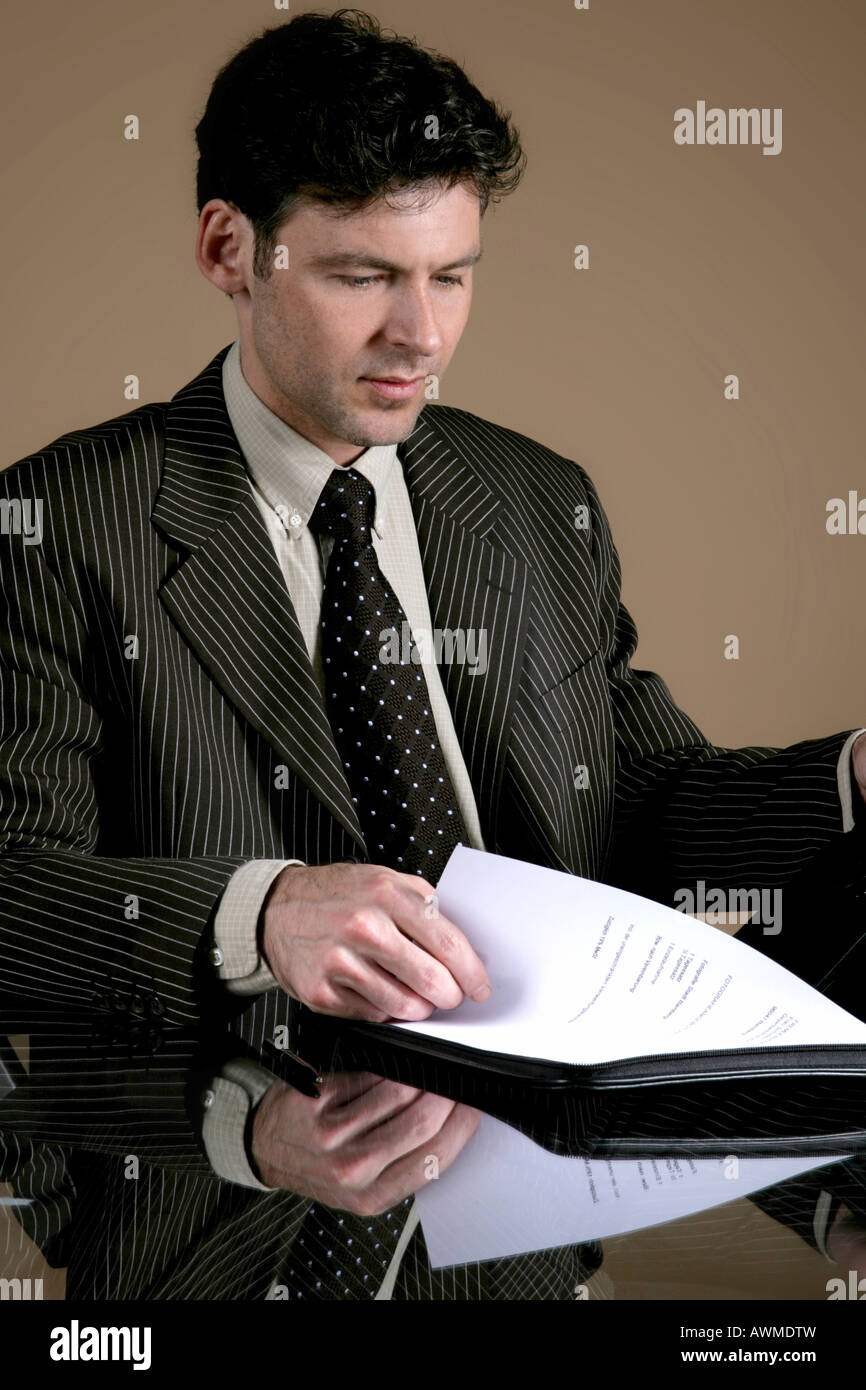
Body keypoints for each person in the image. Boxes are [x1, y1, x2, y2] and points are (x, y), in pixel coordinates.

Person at [1, 8, 863, 1300]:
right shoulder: (60, 526)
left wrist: (849, 778)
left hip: (526, 1215)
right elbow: (16, 892)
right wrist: (259, 912)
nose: (421, 336)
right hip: (210, 1215)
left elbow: (641, 811)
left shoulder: (532, 502)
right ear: (228, 249)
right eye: (362, 276)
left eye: (450, 275)